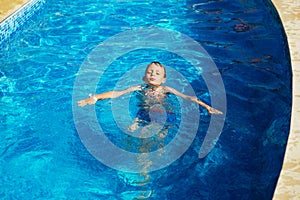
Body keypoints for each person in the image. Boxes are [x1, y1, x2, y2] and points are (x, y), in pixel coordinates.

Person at [77, 61, 223, 115]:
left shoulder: (166, 89)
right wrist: (96, 97)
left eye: (157, 73)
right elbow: (117, 93)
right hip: (144, 112)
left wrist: (207, 107)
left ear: (163, 79)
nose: (153, 74)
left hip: (165, 113)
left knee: (158, 137)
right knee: (131, 132)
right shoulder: (139, 87)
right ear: (144, 77)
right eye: (150, 72)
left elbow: (189, 97)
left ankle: (148, 165)